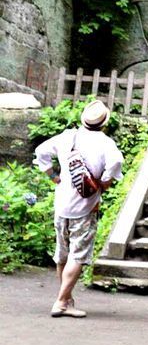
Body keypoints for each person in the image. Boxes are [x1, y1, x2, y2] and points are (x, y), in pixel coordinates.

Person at [34, 99, 123, 318]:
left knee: (63, 254)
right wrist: (104, 181)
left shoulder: (67, 137)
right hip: (85, 208)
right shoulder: (106, 144)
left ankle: (68, 300)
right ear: (104, 123)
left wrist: (53, 176)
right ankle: (61, 301)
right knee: (78, 255)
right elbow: (116, 162)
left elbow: (41, 151)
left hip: (62, 204)